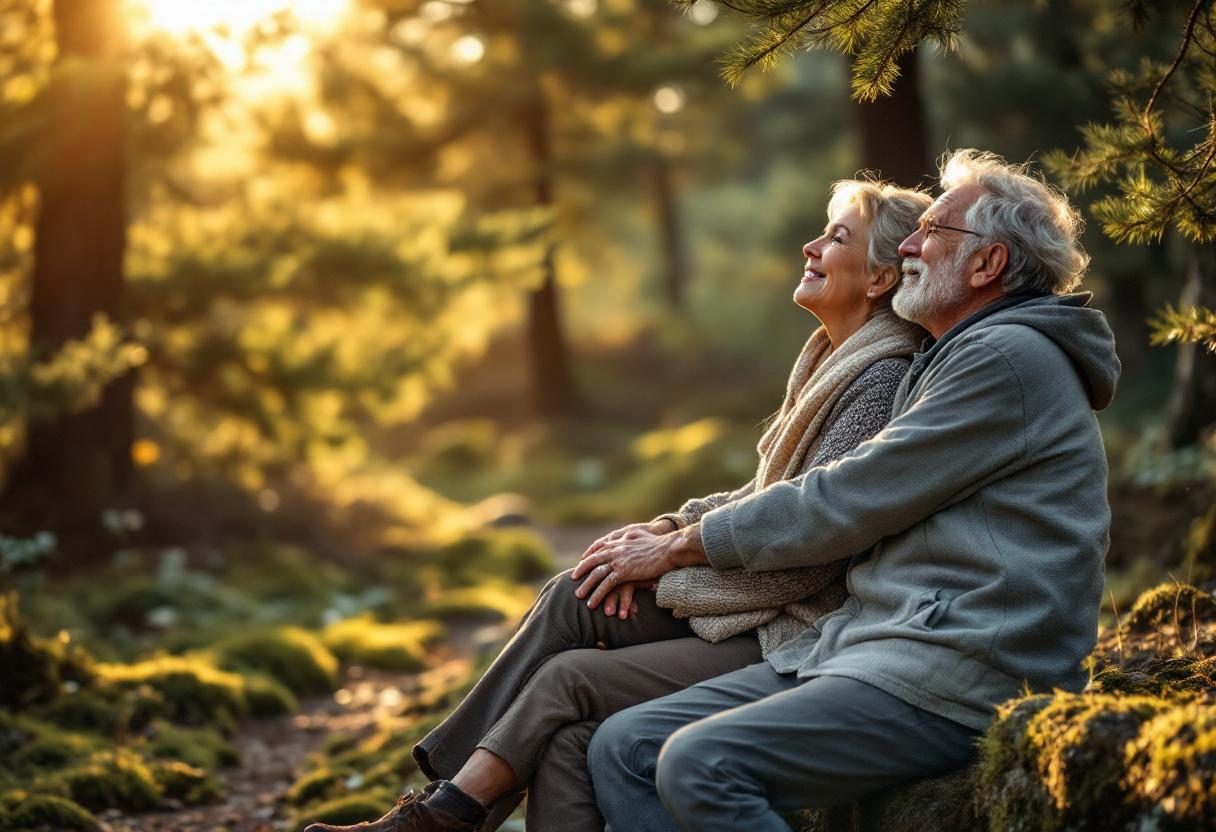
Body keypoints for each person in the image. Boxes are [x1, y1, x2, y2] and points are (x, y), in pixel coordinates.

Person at [302, 178, 932, 832]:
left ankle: (439, 817)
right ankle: (440, 815)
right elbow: (762, 498)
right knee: (575, 608)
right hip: (755, 609)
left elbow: (807, 559)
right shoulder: (833, 359)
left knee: (568, 672)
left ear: (882, 276)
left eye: (836, 237)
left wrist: (668, 566)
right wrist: (665, 527)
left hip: (790, 631)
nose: (811, 245)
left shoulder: (880, 377)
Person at [578, 148, 1122, 832]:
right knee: (625, 747)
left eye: (933, 231)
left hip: (964, 670)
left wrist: (682, 547)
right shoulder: (955, 355)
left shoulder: (1006, 359)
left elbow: (846, 497)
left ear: (988, 266)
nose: (912, 245)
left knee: (699, 763)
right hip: (878, 648)